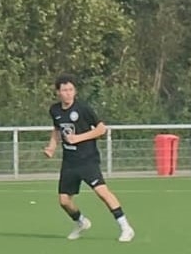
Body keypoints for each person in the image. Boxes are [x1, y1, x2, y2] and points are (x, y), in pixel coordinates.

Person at [43, 74, 135, 242]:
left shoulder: (83, 108)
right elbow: (57, 130)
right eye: (64, 90)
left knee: (102, 192)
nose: (68, 93)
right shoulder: (55, 110)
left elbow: (101, 129)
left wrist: (78, 138)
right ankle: (81, 222)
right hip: (69, 162)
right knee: (64, 201)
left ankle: (126, 227)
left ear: (75, 91)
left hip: (87, 159)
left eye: (71, 89)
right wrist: (51, 147)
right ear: (58, 92)